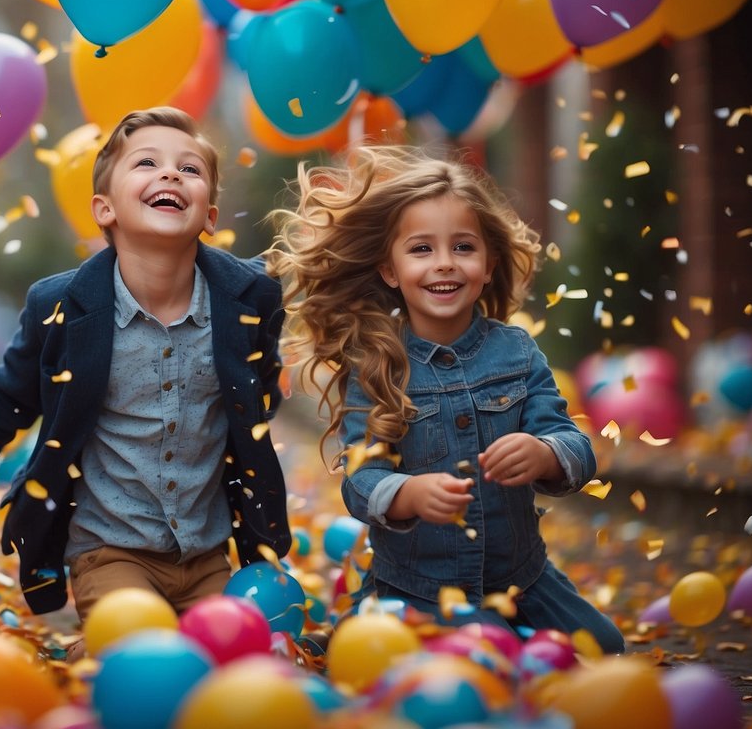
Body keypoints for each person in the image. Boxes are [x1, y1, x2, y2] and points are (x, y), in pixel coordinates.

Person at [0, 107, 292, 621]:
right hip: (108, 550)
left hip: (206, 553)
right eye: (147, 163)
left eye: (190, 169)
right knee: (137, 646)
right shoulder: (60, 308)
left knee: (230, 659)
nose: (170, 174)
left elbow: (259, 387)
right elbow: (5, 399)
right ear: (105, 210)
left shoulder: (250, 298)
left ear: (210, 215)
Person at [266, 145, 625, 653]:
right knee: (495, 656)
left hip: (522, 579)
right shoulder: (376, 365)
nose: (444, 264)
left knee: (605, 649)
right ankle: (368, 633)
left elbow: (574, 444)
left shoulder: (518, 353)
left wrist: (545, 453)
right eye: (420, 249)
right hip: (422, 589)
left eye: (462, 247)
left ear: (487, 263)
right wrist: (408, 495)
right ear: (389, 270)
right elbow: (360, 481)